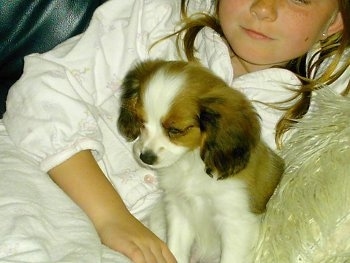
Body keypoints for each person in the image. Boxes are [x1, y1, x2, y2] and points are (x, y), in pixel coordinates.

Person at [1, 0, 349, 262]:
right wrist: (111, 217)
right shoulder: (157, 19)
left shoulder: (328, 107)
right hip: (39, 175)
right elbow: (39, 93)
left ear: (335, 19)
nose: (263, 8)